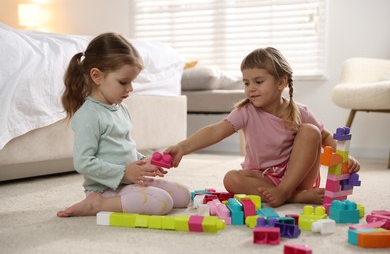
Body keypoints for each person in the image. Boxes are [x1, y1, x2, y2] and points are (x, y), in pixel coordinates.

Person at [164, 47, 360, 207]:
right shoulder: (246, 111)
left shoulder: (300, 111)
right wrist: (183, 147)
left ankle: (286, 191)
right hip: (261, 179)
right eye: (246, 82)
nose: (251, 88)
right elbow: (215, 131)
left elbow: (325, 138)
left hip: (297, 176)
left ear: (281, 82)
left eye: (258, 81)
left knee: (311, 131)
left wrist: (345, 157)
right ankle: (294, 197)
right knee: (231, 179)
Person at [57, 33, 190, 217]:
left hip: (128, 181)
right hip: (105, 188)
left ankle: (124, 196)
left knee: (184, 196)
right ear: (97, 76)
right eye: (123, 82)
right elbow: (83, 162)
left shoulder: (121, 109)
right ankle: (96, 204)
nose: (130, 88)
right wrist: (123, 172)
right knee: (162, 202)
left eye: (132, 81)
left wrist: (146, 161)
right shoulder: (89, 116)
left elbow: (124, 148)